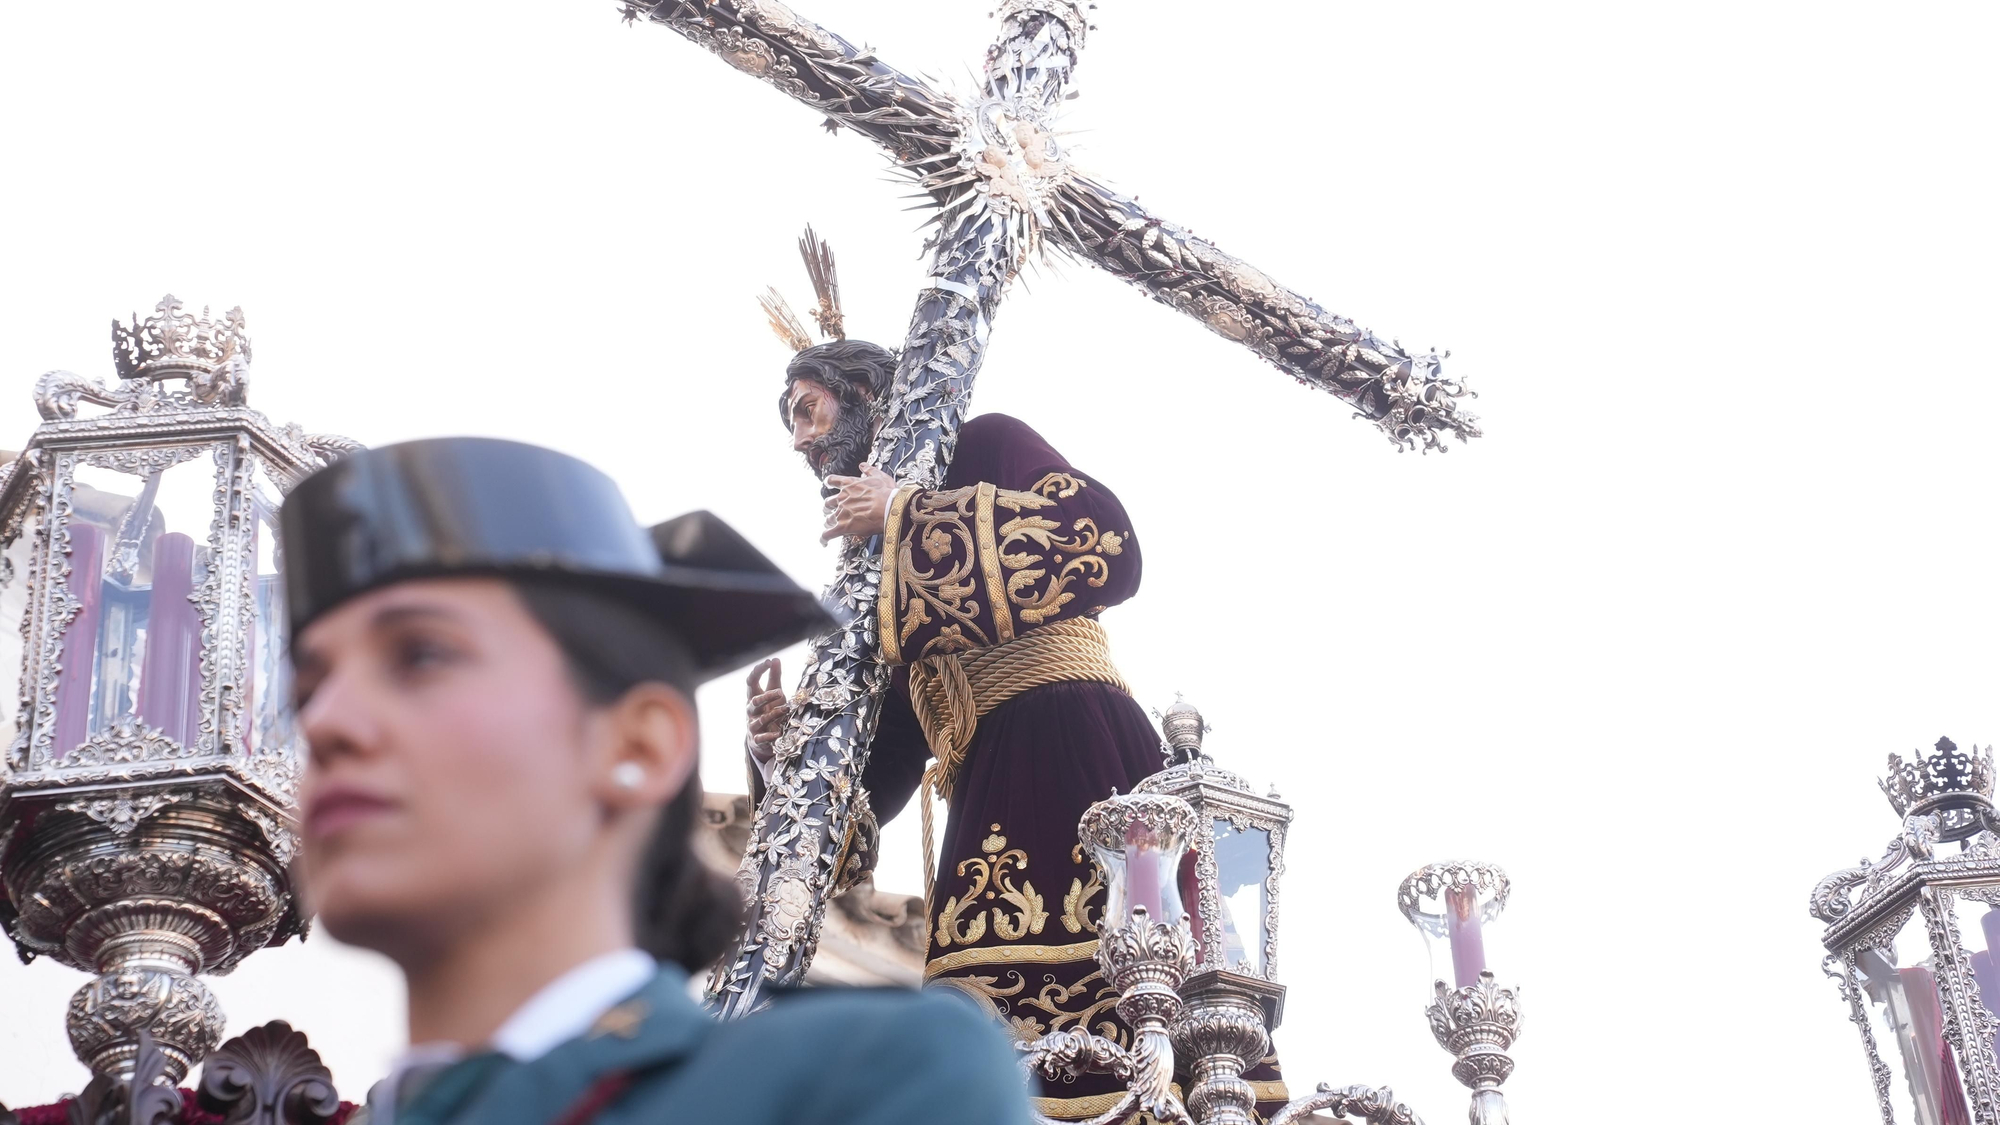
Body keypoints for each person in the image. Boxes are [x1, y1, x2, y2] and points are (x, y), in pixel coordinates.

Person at [281, 436, 1033, 1125]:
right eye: (308, 685)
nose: (329, 721)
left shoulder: (864, 1083)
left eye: (420, 655)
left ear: (639, 741)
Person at [747, 235, 1290, 1122]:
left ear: (867, 399)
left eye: (807, 412)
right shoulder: (859, 593)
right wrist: (784, 754)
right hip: (983, 815)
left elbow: (1105, 543)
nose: (802, 445)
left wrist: (910, 511)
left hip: (1079, 755)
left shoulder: (986, 445)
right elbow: (865, 795)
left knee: (1144, 1011)